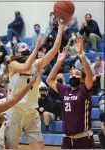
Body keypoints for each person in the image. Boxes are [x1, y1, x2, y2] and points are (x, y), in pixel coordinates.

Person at [5, 20, 69, 149]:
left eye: (27, 46)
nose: (26, 48)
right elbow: (25, 67)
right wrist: (36, 48)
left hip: (31, 112)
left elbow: (54, 51)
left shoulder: (37, 64)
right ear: (16, 53)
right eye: (23, 47)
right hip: (15, 111)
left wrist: (60, 30)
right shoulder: (13, 65)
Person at [46, 36, 95, 149]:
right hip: (67, 139)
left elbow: (89, 74)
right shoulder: (65, 90)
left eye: (77, 74)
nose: (73, 75)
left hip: (84, 139)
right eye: (71, 74)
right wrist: (58, 62)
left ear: (82, 79)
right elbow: (49, 80)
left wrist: (81, 54)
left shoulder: (84, 89)